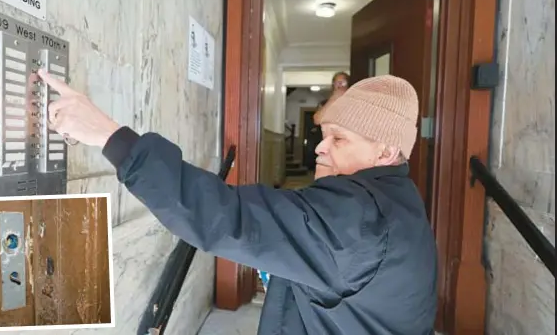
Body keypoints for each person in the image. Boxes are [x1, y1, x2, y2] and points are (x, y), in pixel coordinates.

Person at [38, 70, 437, 335]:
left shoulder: (358, 219)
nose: (320, 148)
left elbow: (227, 217)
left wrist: (110, 136)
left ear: (386, 150)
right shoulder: (394, 199)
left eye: (340, 139)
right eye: (325, 135)